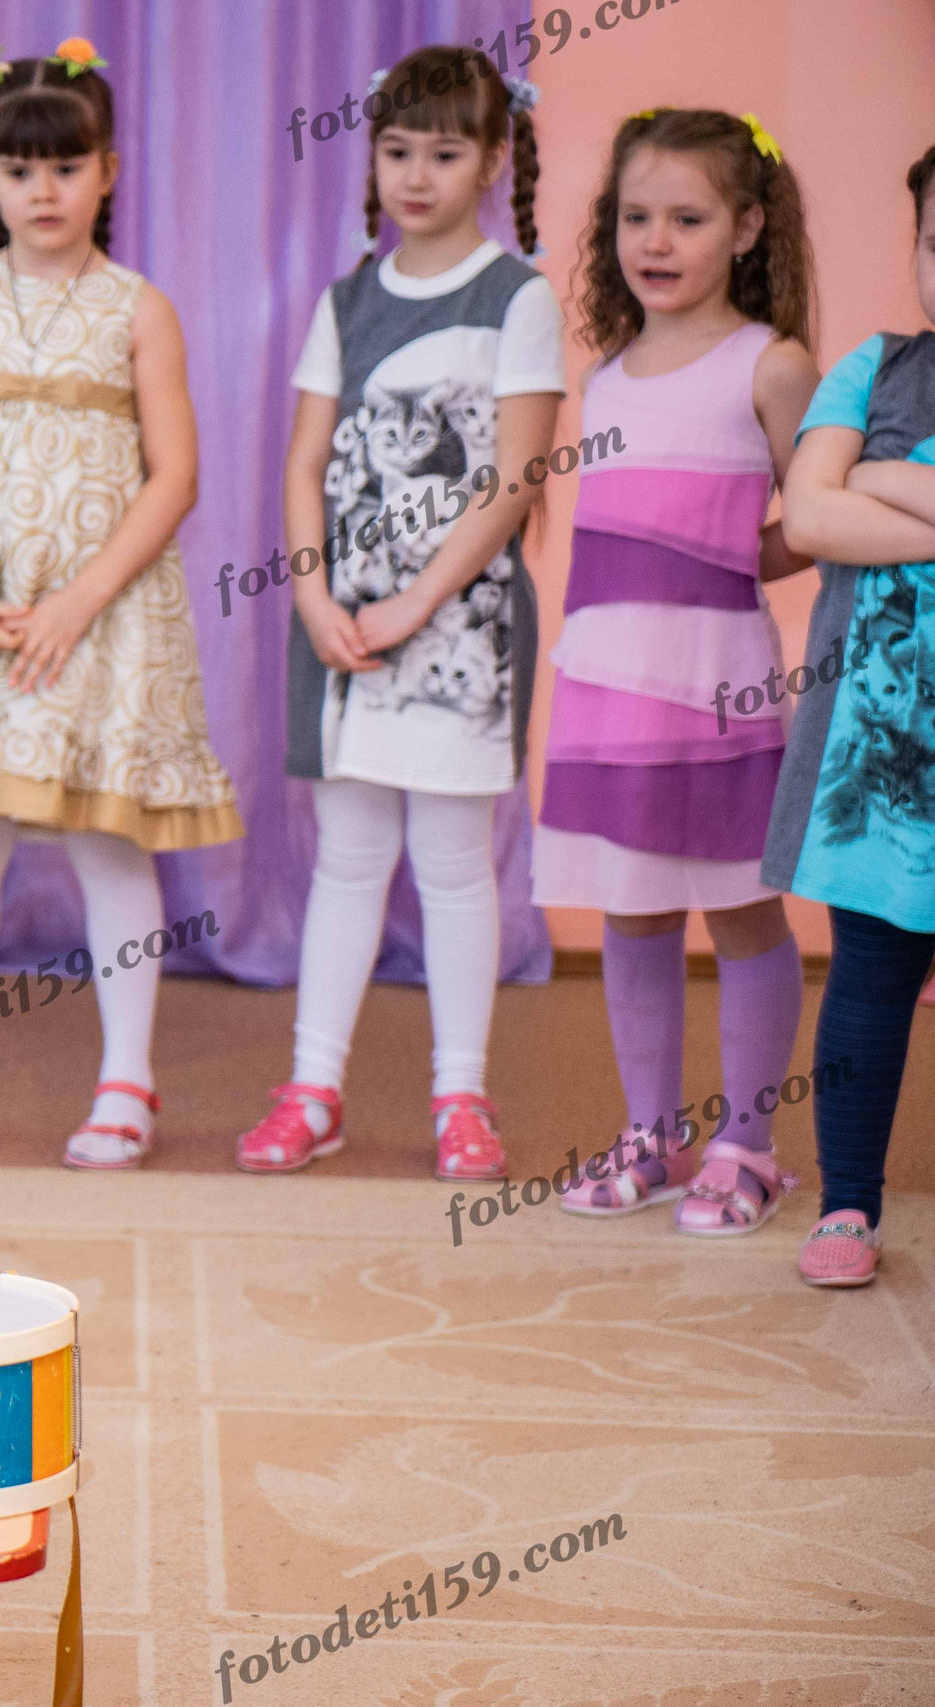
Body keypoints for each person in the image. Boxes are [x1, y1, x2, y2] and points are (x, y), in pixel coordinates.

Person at [0, 41, 240, 1169]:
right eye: (19, 170)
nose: (43, 191)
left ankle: (127, 1082)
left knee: (110, 844)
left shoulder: (138, 309)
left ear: (108, 170)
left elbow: (175, 473)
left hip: (98, 619)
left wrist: (80, 598)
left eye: (65, 167)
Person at [236, 46, 561, 1180]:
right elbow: (304, 460)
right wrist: (316, 591)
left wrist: (421, 601)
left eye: (445, 151)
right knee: (348, 855)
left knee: (455, 860)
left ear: (491, 159)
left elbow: (517, 478)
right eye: (396, 150)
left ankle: (459, 1099)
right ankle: (311, 1089)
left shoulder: (516, 298)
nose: (416, 175)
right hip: (343, 633)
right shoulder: (346, 299)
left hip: (462, 634)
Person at [539, 109, 820, 1234]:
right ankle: (649, 1135)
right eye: (635, 217)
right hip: (608, 688)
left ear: (747, 226)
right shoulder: (602, 377)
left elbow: (820, 511)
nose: (655, 241)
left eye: (687, 219)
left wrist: (741, 555)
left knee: (746, 913)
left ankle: (746, 1143)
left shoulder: (773, 363)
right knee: (634, 913)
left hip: (719, 688)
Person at [770, 140, 935, 1287]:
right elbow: (807, 518)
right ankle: (845, 1206)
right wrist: (851, 487)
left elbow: (848, 494)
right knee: (869, 976)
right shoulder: (873, 370)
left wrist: (880, 480)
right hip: (882, 755)